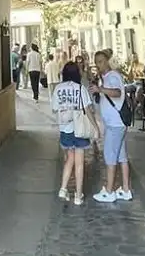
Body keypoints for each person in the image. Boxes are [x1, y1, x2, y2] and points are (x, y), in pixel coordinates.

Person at [50, 61, 100, 206]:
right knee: (79, 163)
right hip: (79, 129)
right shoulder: (80, 89)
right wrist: (95, 127)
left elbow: (54, 109)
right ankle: (78, 195)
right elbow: (88, 110)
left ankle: (63, 188)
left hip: (65, 128)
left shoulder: (58, 88)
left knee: (69, 159)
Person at [89, 50, 132, 202]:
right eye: (96, 62)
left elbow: (117, 93)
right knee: (121, 156)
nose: (98, 65)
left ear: (107, 61)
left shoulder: (113, 76)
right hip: (115, 123)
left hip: (115, 124)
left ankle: (109, 190)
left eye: (101, 61)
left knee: (110, 156)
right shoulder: (104, 78)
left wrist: (100, 89)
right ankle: (126, 189)